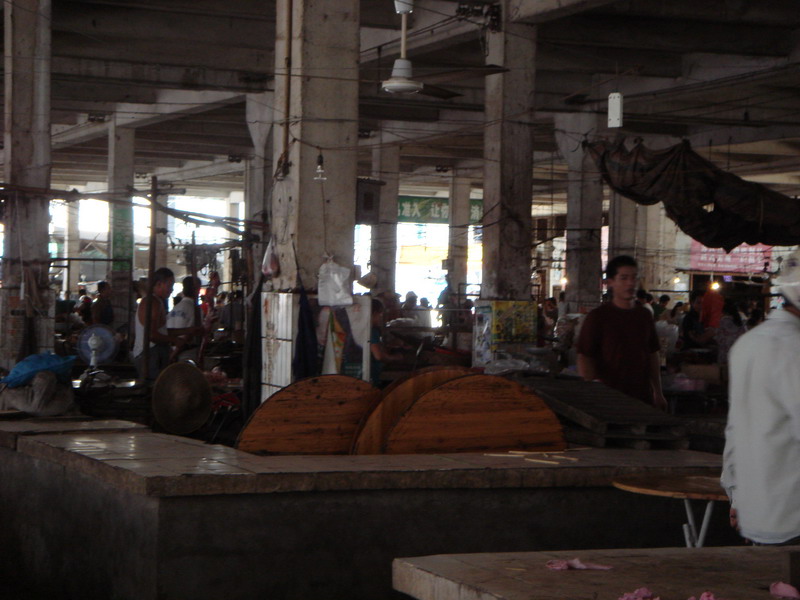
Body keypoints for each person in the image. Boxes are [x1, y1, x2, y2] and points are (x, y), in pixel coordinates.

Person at [722, 249, 800, 545]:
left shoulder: (747, 344)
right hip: (793, 518)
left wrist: (736, 495)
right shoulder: (794, 348)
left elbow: (735, 431)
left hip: (758, 516)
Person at [576, 255, 667, 410]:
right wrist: (593, 392)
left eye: (634, 278)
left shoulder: (644, 315)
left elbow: (652, 354)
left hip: (641, 396)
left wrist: (658, 392)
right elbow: (585, 356)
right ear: (610, 282)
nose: (630, 283)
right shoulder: (598, 317)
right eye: (624, 278)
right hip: (609, 398)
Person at [133, 268, 201, 381]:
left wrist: (189, 330)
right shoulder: (152, 302)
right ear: (159, 284)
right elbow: (152, 335)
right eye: (170, 285)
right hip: (149, 355)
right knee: (154, 386)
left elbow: (162, 332)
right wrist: (175, 340)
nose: (172, 289)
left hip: (154, 354)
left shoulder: (157, 302)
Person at [167, 276, 203, 361]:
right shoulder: (196, 309)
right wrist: (173, 355)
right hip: (186, 354)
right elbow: (188, 335)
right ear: (197, 289)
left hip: (170, 351)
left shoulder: (174, 309)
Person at [714, 298, 746, 366]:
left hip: (725, 357)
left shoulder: (723, 321)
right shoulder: (740, 322)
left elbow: (718, 339)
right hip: (739, 357)